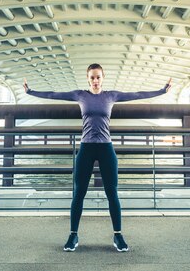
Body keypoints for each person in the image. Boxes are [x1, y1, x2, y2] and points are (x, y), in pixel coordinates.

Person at [23, 63, 172, 252]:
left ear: (103, 78)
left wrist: (161, 91)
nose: (95, 81)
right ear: (88, 79)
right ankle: (73, 235)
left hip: (105, 148)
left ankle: (118, 236)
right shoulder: (80, 95)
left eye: (98, 77)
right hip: (86, 148)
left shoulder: (111, 96)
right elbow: (54, 94)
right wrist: (31, 92)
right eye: (92, 77)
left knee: (112, 193)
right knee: (79, 194)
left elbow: (137, 94)